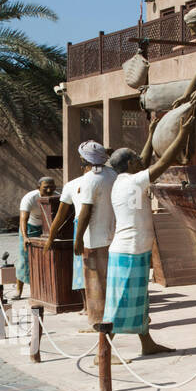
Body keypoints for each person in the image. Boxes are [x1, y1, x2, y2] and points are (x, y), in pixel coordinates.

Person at [101, 113, 195, 356]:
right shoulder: (133, 182)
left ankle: (147, 344)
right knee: (120, 302)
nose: (140, 159)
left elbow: (141, 159)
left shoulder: (124, 179)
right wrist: (183, 133)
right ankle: (102, 353)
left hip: (134, 249)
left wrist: (152, 132)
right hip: (129, 250)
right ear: (130, 164)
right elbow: (162, 163)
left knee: (140, 302)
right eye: (135, 158)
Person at [45, 141, 109, 293]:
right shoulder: (112, 177)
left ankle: (89, 308)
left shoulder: (76, 184)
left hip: (85, 231)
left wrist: (50, 238)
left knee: (85, 270)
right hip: (110, 229)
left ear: (83, 161)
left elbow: (61, 215)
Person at [71, 142, 118, 331]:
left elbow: (85, 211)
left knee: (95, 283)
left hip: (94, 239)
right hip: (112, 235)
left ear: (85, 159)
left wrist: (78, 238)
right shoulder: (113, 175)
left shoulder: (90, 179)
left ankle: (97, 322)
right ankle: (110, 319)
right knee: (109, 281)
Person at [16, 177, 57, 299]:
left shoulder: (58, 197)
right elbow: (23, 219)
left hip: (48, 228)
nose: (49, 190)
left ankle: (45, 290)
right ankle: (19, 291)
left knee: (48, 258)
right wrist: (25, 237)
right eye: (45, 187)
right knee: (24, 258)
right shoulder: (29, 198)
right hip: (30, 227)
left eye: (52, 187)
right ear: (38, 188)